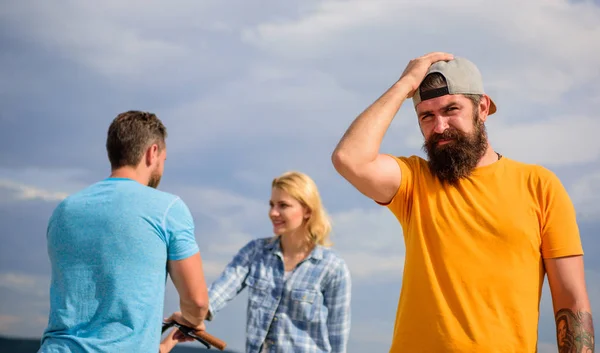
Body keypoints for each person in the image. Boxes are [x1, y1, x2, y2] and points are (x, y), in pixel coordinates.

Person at [331, 52, 595, 352]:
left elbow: (571, 299)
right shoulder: (414, 182)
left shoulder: (539, 186)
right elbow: (348, 158)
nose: (440, 126)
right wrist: (405, 84)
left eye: (451, 109)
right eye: (426, 116)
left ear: (482, 108)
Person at [38, 111, 210, 353]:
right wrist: (191, 320)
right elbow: (197, 301)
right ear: (152, 152)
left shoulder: (64, 210)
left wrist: (162, 346)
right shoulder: (168, 209)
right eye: (163, 159)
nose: (161, 167)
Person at [205, 171, 352, 353]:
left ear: (307, 210)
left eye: (283, 205)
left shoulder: (333, 267)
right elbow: (216, 294)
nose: (273, 213)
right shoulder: (255, 252)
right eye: (272, 205)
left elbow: (338, 334)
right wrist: (191, 313)